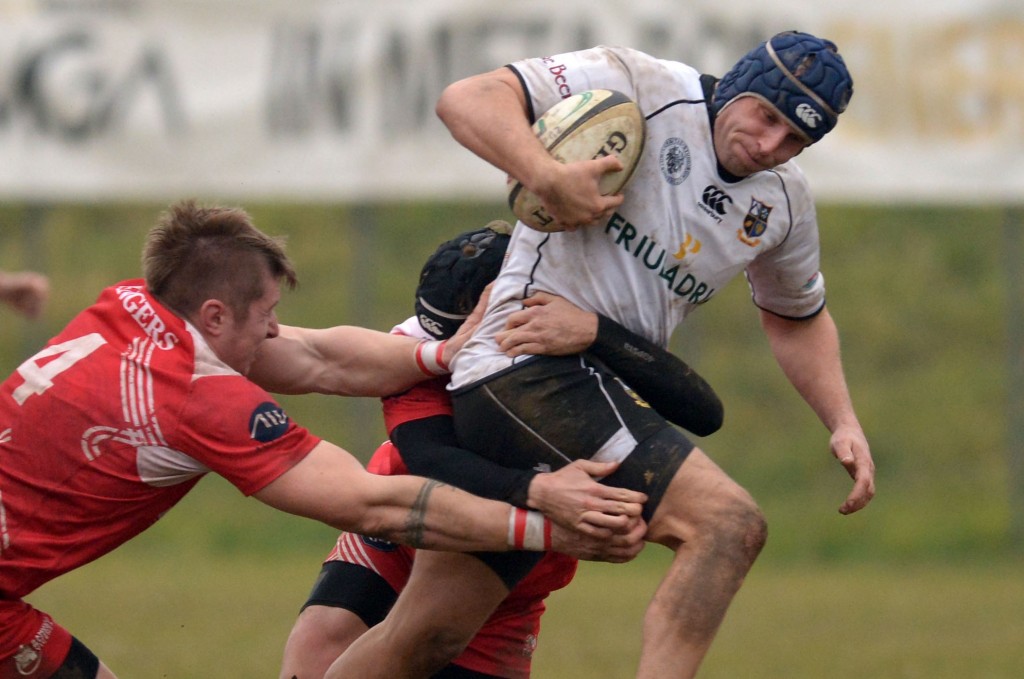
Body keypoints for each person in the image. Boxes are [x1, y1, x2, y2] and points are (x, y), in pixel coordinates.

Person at [325, 30, 877, 679]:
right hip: (523, 372)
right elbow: (466, 98)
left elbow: (796, 318)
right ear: (742, 82)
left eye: (795, 141)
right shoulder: (640, 87)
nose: (770, 146)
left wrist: (842, 418)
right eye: (768, 117)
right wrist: (546, 173)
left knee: (426, 635)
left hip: (582, 391)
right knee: (727, 525)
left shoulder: (781, 201)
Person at [0, 201, 648, 679]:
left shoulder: (134, 304)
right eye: (267, 315)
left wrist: (439, 354)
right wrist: (546, 526)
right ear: (216, 315)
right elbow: (376, 504)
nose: (277, 330)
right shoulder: (195, 397)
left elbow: (319, 357)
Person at [279, 222, 723, 679]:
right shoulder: (418, 345)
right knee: (320, 639)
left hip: (517, 565)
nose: (453, 350)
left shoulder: (566, 332)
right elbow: (431, 459)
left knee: (433, 646)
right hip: (412, 518)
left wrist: (597, 334)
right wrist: (537, 489)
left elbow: (704, 413)